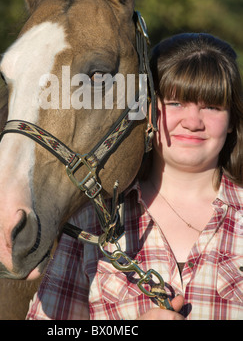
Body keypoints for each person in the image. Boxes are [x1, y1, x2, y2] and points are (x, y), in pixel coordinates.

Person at [26, 33, 243, 320]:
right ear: (147, 109)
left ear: (231, 121)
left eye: (212, 106)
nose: (193, 122)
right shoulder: (90, 221)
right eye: (176, 103)